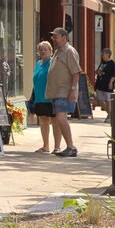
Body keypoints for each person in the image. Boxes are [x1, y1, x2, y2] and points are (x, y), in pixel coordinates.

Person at [46, 27, 81, 157]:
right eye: (53, 36)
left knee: (61, 117)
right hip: (56, 91)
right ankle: (68, 147)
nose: (54, 38)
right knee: (59, 119)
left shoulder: (69, 51)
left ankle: (71, 147)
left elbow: (76, 72)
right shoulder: (58, 51)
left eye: (56, 36)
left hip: (64, 91)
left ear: (65, 37)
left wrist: (72, 90)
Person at [32, 41, 60, 153]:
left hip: (51, 96)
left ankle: (57, 147)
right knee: (43, 120)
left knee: (55, 121)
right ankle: (45, 146)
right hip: (39, 97)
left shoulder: (53, 62)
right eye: (41, 50)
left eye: (45, 49)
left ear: (50, 51)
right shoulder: (38, 63)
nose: (43, 51)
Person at [95, 48, 115, 123]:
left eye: (103, 54)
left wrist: (111, 82)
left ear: (108, 54)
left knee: (108, 101)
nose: (102, 55)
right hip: (100, 84)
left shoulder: (112, 63)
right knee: (99, 100)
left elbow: (114, 75)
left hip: (108, 85)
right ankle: (111, 114)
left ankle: (110, 117)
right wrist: (98, 72)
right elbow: (99, 70)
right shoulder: (102, 62)